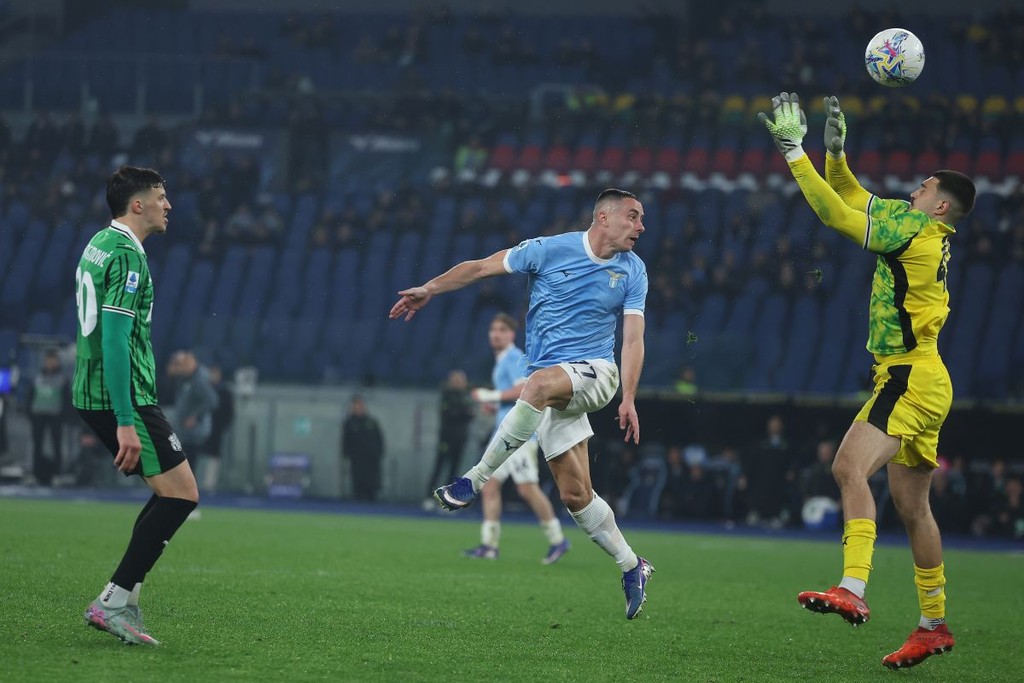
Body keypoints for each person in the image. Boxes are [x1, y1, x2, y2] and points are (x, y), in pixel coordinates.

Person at [759, 93, 976, 669]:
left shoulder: (916, 232)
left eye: (925, 187)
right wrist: (835, 156)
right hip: (928, 376)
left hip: (907, 375)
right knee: (914, 508)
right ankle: (933, 624)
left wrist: (794, 153)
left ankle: (852, 587)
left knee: (847, 467)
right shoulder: (922, 229)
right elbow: (854, 197)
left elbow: (836, 216)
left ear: (941, 206)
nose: (914, 189)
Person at [390, 188, 654, 619]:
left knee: (535, 385)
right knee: (575, 495)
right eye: (633, 216)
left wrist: (628, 396)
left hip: (596, 372)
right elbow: (481, 267)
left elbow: (633, 339)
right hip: (554, 386)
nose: (641, 226)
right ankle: (632, 565)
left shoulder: (633, 271)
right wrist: (430, 289)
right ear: (604, 218)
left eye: (641, 218)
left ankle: (471, 482)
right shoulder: (547, 250)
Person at [72, 165, 199, 646]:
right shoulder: (127, 256)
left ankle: (124, 598)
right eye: (161, 197)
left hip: (94, 389)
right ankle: (112, 602)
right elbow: (114, 338)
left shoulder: (100, 242)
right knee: (181, 495)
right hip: (123, 395)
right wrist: (125, 420)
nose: (169, 205)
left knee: (170, 493)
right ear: (138, 204)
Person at [463, 313, 570, 564]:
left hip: (519, 436)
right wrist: (496, 406)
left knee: (526, 488)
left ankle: (557, 539)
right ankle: (489, 546)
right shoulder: (503, 360)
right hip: (505, 433)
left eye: (502, 330)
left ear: (512, 334)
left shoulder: (514, 357)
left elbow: (525, 389)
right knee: (490, 486)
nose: (496, 334)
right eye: (493, 329)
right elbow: (514, 398)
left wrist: (490, 396)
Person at [167, 350, 219, 499]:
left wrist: (196, 417)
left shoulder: (199, 380)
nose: (181, 367)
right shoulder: (186, 379)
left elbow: (212, 400)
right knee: (183, 466)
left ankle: (189, 499)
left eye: (184, 364)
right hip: (184, 431)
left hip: (194, 432)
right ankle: (184, 497)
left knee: (188, 466)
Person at [423, 369, 475, 507]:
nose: (459, 383)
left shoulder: (467, 396)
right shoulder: (446, 395)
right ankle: (429, 497)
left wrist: (463, 412)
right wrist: (463, 412)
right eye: (457, 380)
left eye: (461, 380)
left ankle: (448, 500)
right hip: (446, 438)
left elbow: (470, 414)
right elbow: (451, 413)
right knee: (439, 467)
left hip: (460, 438)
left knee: (454, 471)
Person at [27, 348, 70, 486]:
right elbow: (30, 396)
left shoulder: (62, 379)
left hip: (55, 416)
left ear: (57, 362)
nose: (50, 363)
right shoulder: (37, 377)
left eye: (53, 361)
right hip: (38, 415)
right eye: (48, 360)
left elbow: (67, 399)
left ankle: (57, 474)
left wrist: (63, 416)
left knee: (56, 445)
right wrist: (31, 414)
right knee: (37, 445)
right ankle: (35, 473)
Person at [341, 395, 385, 502]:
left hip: (371, 461)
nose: (358, 407)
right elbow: (346, 441)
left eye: (360, 405)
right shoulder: (350, 423)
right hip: (357, 461)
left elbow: (379, 440)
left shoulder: (372, 422)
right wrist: (347, 454)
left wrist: (377, 453)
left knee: (371, 487)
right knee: (358, 488)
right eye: (356, 405)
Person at [201, 364, 234, 493]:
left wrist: (223, 426)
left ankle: (209, 483)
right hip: (200, 427)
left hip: (216, 428)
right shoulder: (203, 389)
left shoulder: (224, 392)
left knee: (214, 455)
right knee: (197, 453)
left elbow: (229, 411)